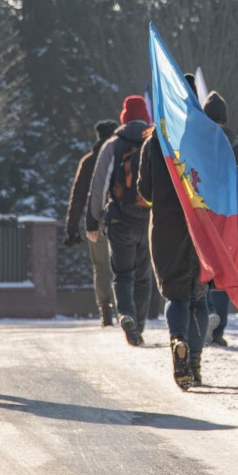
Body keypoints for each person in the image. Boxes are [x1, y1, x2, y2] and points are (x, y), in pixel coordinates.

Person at [138, 77, 209, 390]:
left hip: (166, 226)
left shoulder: (156, 139)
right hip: (203, 226)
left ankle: (177, 340)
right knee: (200, 295)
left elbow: (145, 189)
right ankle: (194, 360)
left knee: (175, 294)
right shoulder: (208, 135)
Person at [87, 96, 153, 346]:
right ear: (146, 117)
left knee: (123, 275)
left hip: (120, 221)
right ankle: (141, 324)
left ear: (123, 118)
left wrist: (92, 222)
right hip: (148, 221)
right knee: (144, 276)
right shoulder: (155, 142)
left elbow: (99, 185)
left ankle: (126, 314)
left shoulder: (113, 144)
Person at [201, 90, 238, 347]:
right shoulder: (237, 148)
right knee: (224, 271)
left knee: (204, 269)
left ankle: (206, 315)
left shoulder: (195, 145)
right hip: (229, 220)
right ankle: (219, 329)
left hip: (202, 218)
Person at [64, 120, 120, 326]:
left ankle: (105, 309)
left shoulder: (88, 161)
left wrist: (72, 227)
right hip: (120, 219)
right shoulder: (120, 156)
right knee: (122, 264)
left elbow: (78, 196)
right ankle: (125, 308)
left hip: (94, 220)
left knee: (101, 266)